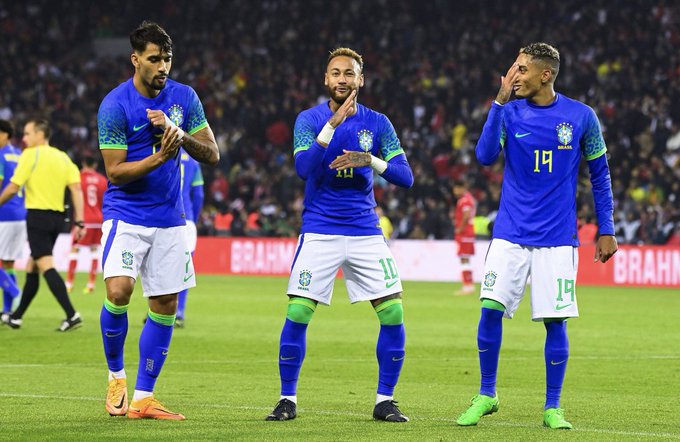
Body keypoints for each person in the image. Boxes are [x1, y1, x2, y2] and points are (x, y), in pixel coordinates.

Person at [455, 42, 618, 429]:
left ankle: (552, 406)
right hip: (510, 232)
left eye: (522, 69)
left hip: (559, 238)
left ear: (546, 74)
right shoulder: (508, 112)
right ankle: (486, 394)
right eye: (514, 68)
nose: (515, 76)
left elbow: (600, 174)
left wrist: (607, 228)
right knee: (490, 309)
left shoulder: (581, 117)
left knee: (555, 322)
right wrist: (498, 101)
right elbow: (483, 156)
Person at [265, 47, 414, 423]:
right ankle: (287, 399)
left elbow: (406, 177)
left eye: (349, 73)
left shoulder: (378, 123)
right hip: (320, 229)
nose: (342, 79)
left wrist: (372, 160)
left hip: (365, 230)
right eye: (335, 73)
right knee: (298, 311)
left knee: (393, 312)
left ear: (360, 79)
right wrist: (332, 124)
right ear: (325, 80)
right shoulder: (309, 119)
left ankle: (385, 401)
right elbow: (304, 168)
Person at [97, 21, 219, 420]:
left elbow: (212, 153)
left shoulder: (184, 97)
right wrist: (158, 157)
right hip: (126, 215)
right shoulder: (115, 104)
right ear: (136, 59)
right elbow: (114, 172)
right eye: (154, 58)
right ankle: (116, 377)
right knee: (118, 291)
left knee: (165, 303)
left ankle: (144, 398)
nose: (162, 65)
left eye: (167, 58)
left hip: (170, 218)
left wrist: (177, 134)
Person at [0, 118, 85, 331]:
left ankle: (71, 314)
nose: (24, 138)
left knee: (45, 265)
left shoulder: (30, 155)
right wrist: (80, 220)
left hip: (38, 217)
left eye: (28, 134)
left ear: (40, 134)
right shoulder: (63, 157)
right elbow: (76, 189)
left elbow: (12, 187)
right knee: (32, 266)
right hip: (59, 219)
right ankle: (16, 317)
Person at [66, 155, 107, 294]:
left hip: (84, 220)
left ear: (83, 162)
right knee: (95, 250)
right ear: (95, 165)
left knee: (74, 249)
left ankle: (69, 283)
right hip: (99, 220)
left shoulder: (78, 177)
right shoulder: (102, 180)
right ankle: (91, 285)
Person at [176, 148, 204, 327]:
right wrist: (195, 216)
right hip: (187, 220)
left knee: (160, 266)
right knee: (185, 267)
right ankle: (179, 312)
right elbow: (199, 193)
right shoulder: (193, 161)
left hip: (164, 217)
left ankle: (156, 311)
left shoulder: (160, 151)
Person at [0, 120, 25, 319]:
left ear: (5, 134)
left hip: (4, 213)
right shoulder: (19, 154)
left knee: (5, 262)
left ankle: (15, 292)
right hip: (20, 213)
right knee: (8, 263)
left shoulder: (0, 155)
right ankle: (8, 312)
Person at [451, 180, 476, 295]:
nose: (455, 191)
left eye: (456, 188)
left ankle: (467, 286)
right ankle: (468, 284)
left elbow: (466, 216)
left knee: (464, 259)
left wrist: (460, 228)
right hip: (467, 233)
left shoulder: (465, 200)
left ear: (462, 188)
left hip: (465, 233)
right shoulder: (468, 198)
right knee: (465, 259)